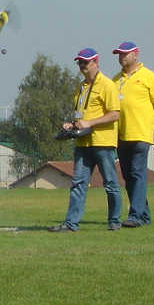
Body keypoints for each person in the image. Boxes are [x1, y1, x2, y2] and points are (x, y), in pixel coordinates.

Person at [49, 48, 122, 232]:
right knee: (78, 183)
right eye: (79, 62)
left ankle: (114, 221)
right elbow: (81, 115)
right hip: (83, 142)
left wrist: (90, 122)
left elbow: (114, 114)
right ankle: (71, 224)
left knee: (111, 183)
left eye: (85, 62)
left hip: (102, 142)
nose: (82, 66)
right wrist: (72, 125)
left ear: (96, 63)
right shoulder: (80, 88)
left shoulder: (107, 85)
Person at [112, 41, 154, 228]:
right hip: (121, 136)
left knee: (137, 174)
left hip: (141, 135)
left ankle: (135, 216)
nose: (122, 57)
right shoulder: (115, 80)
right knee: (129, 177)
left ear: (136, 54)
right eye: (119, 55)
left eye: (125, 54)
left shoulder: (149, 77)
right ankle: (143, 215)